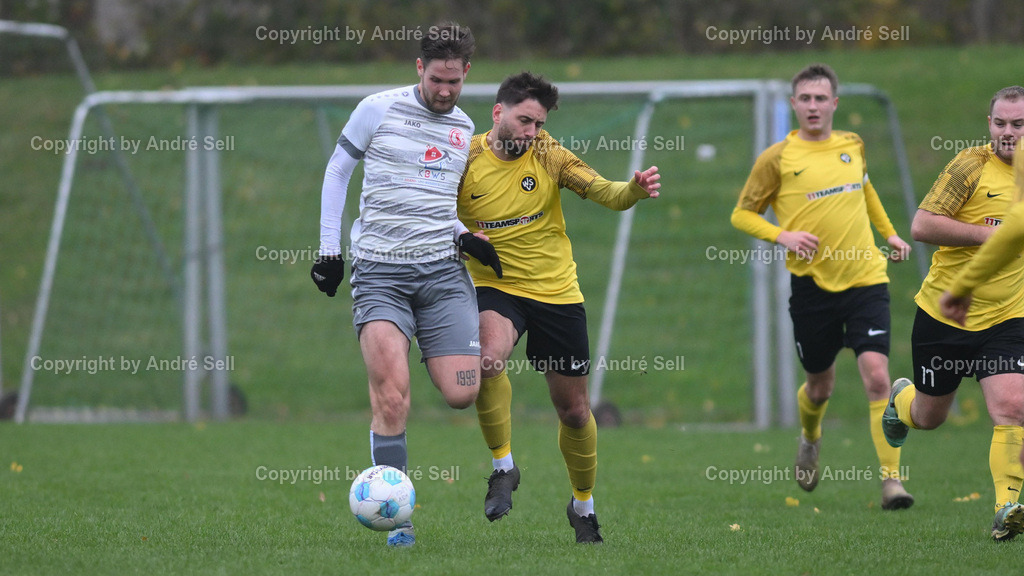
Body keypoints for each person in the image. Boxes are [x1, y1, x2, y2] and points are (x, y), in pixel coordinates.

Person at [310, 21, 502, 548]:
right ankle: (399, 521)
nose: (444, 91)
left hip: (441, 274)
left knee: (463, 392)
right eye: (437, 79)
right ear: (419, 68)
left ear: (467, 74)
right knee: (392, 399)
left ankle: (428, 340)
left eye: (454, 82)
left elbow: (436, 201)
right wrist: (331, 250)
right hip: (380, 273)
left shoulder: (464, 129)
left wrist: (465, 237)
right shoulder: (377, 108)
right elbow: (336, 173)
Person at [456, 71, 661, 544]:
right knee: (486, 361)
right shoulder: (463, 158)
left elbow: (606, 192)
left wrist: (632, 189)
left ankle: (582, 506)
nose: (530, 132)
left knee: (573, 411)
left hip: (557, 292)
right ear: (497, 113)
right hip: (495, 285)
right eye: (524, 120)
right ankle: (503, 468)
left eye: (538, 123)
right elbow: (436, 211)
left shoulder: (548, 154)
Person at [730, 63, 914, 509]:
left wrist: (889, 233)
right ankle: (810, 437)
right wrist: (784, 235)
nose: (813, 106)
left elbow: (865, 190)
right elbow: (742, 213)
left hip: (866, 277)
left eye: (821, 98)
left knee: (876, 377)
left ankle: (892, 482)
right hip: (812, 288)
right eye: (805, 99)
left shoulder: (852, 146)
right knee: (820, 387)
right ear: (794, 104)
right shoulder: (777, 158)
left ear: (835, 103)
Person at [883, 87, 1024, 541]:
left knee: (1012, 407)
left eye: (1018, 124)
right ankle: (900, 401)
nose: (1009, 133)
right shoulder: (969, 165)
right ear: (989, 124)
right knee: (929, 418)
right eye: (1001, 123)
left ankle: (1008, 509)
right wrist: (992, 236)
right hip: (946, 315)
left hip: (1008, 316)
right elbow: (922, 225)